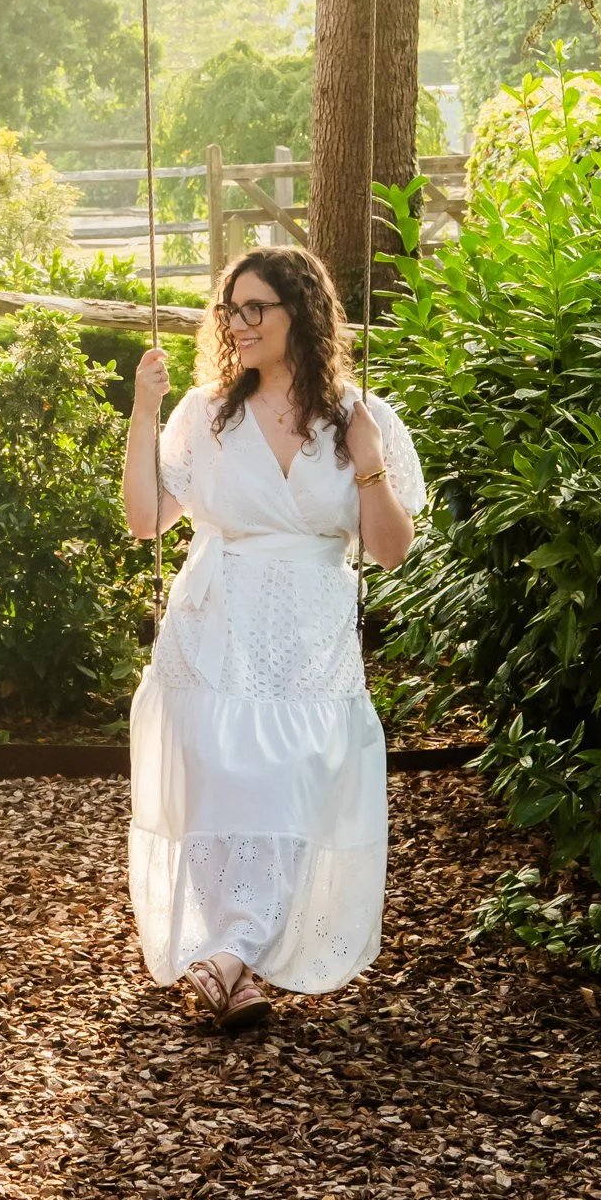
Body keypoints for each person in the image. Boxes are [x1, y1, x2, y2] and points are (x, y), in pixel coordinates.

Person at [119, 242, 420, 1029]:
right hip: (213, 623)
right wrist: (145, 415)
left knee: (296, 787)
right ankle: (231, 961)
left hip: (310, 633)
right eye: (231, 309)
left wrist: (368, 464)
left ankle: (229, 956)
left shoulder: (360, 418)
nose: (239, 323)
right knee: (220, 786)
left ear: (302, 314)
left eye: (257, 308)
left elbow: (390, 550)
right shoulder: (203, 413)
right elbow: (148, 521)